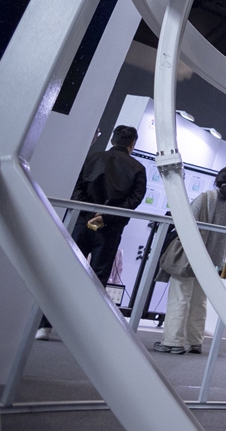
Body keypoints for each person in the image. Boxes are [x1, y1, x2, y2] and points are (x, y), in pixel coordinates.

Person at [37, 125, 146, 340]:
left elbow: (77, 189)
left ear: (113, 139)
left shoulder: (92, 158)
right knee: (98, 279)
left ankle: (44, 324)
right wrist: (105, 217)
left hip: (81, 224)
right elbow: (134, 200)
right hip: (110, 230)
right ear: (132, 144)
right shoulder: (138, 169)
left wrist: (89, 215)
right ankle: (82, 329)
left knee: (65, 272)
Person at [154, 167, 226, 355]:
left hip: (191, 257)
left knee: (180, 296)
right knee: (199, 300)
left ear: (216, 179)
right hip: (212, 260)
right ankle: (194, 341)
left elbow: (186, 223)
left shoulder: (205, 197)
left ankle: (173, 341)